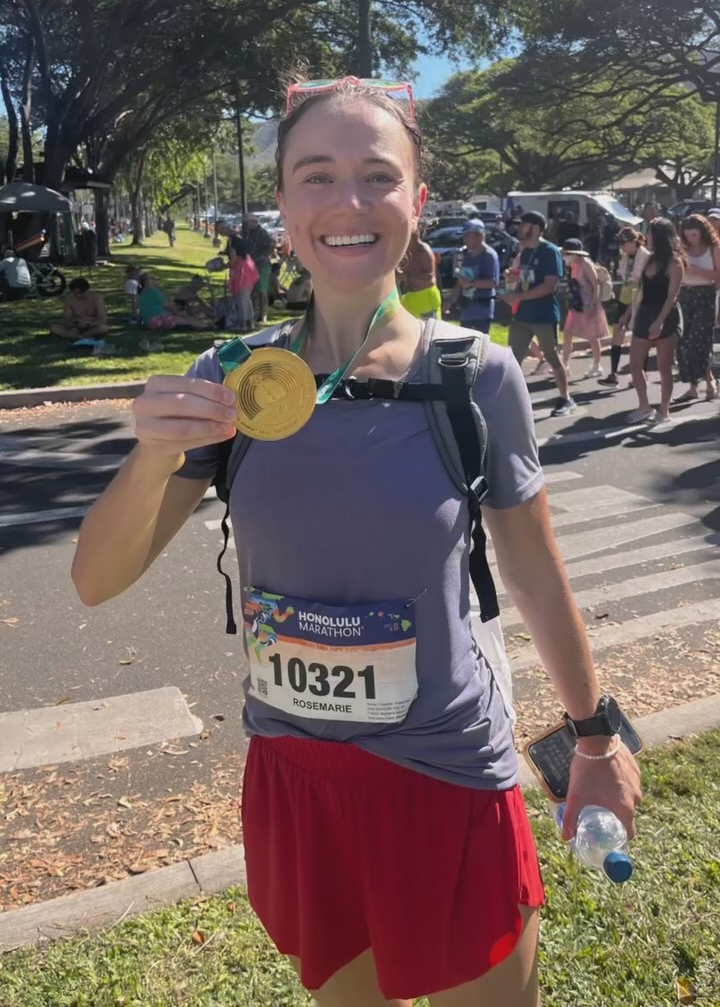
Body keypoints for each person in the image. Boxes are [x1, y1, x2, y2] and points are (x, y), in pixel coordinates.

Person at [71, 77, 641, 1007]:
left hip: (447, 774)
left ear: (417, 204)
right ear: (284, 204)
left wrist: (591, 737)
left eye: (378, 176)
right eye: (317, 175)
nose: (348, 202)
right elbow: (97, 581)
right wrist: (149, 458)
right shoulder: (230, 380)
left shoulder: (475, 375)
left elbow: (533, 573)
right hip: (301, 781)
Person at [501, 211, 576, 418]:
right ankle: (511, 400)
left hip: (543, 315)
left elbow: (549, 286)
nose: (519, 228)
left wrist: (519, 298)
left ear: (535, 228)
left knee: (552, 357)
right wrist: (512, 279)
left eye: (523, 225)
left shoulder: (549, 251)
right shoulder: (525, 252)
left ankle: (565, 398)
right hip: (523, 315)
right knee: (513, 359)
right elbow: (526, 280)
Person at [628, 218, 684, 425]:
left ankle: (664, 410)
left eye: (649, 232)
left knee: (663, 367)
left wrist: (659, 320)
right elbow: (641, 289)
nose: (647, 236)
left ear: (659, 236)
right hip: (645, 313)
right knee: (635, 363)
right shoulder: (648, 259)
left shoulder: (675, 262)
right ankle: (644, 406)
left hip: (665, 315)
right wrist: (628, 315)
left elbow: (672, 296)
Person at [676, 215, 720, 403]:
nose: (691, 239)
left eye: (694, 234)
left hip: (706, 293)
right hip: (684, 294)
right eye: (688, 235)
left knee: (700, 341)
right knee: (684, 341)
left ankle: (710, 380)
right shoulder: (681, 249)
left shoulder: (713, 249)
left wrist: (697, 271)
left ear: (703, 232)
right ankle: (693, 386)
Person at [600, 228, 650, 388]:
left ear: (633, 242)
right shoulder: (625, 257)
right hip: (625, 297)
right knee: (617, 336)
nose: (622, 247)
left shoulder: (645, 257)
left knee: (640, 338)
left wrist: (629, 311)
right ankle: (613, 374)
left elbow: (643, 285)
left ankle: (641, 374)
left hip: (639, 301)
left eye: (624, 243)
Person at [560, 240, 609, 377]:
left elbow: (596, 284)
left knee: (592, 336)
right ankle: (564, 364)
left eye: (567, 253)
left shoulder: (586, 264)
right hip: (576, 303)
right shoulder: (573, 265)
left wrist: (593, 303)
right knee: (568, 332)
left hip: (588, 304)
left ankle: (596, 365)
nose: (565, 256)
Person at [451, 219, 499, 333]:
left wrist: (471, 283)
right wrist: (453, 298)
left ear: (480, 236)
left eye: (468, 235)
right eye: (464, 236)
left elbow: (493, 282)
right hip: (466, 308)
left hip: (482, 310)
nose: (465, 239)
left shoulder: (489, 256)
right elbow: (460, 278)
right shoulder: (465, 255)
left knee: (480, 343)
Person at [137, 273, 208, 331]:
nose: (155, 280)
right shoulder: (153, 292)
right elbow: (168, 306)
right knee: (188, 320)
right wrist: (180, 313)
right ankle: (208, 327)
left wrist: (139, 323)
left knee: (185, 319)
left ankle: (195, 326)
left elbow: (141, 312)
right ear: (146, 281)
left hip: (150, 323)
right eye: (152, 278)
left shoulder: (142, 294)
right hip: (159, 320)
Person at [397, 228, 442, 319]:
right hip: (410, 298)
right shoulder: (404, 251)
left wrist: (408, 276)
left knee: (428, 330)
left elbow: (430, 279)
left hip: (426, 297)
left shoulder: (423, 250)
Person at [242, 214, 274, 324]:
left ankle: (263, 315)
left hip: (262, 265)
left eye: (246, 223)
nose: (245, 225)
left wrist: (262, 256)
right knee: (253, 291)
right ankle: (253, 314)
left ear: (253, 222)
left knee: (262, 291)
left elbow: (271, 244)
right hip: (251, 264)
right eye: (244, 223)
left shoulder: (261, 232)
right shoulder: (248, 233)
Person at [226, 235, 259, 332]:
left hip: (242, 270)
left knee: (241, 299)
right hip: (249, 268)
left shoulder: (233, 244)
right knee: (246, 298)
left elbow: (233, 260)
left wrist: (221, 267)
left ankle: (243, 324)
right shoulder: (246, 253)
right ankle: (250, 323)